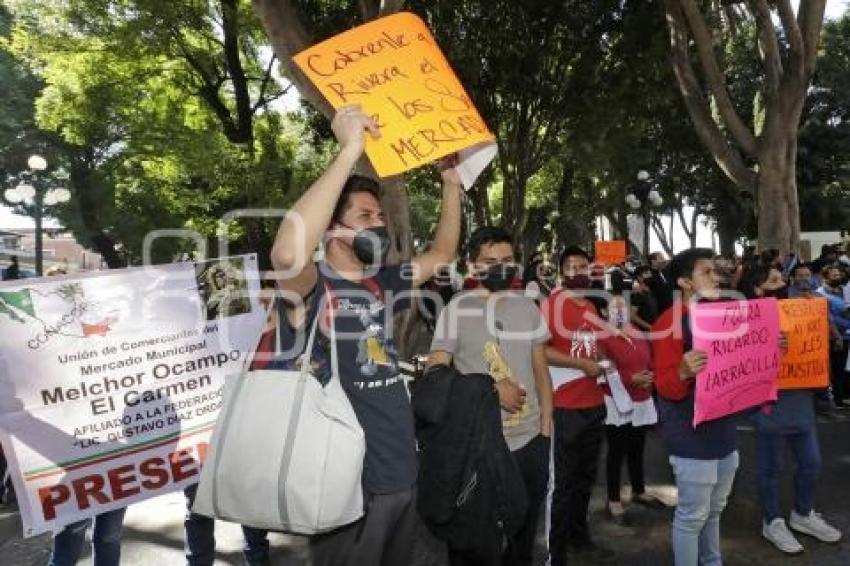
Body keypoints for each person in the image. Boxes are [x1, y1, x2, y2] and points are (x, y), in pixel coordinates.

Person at [270, 104, 462, 565]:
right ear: (333, 229)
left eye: (380, 214)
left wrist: (451, 186)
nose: (379, 223)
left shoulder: (381, 281)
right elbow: (286, 251)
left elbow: (442, 251)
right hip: (345, 487)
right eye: (366, 215)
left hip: (399, 472)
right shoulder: (310, 286)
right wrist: (349, 151)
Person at [428, 226, 552, 566]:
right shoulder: (456, 309)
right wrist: (490, 389)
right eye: (489, 261)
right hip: (477, 449)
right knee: (472, 545)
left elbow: (541, 369)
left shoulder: (528, 308)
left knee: (521, 543)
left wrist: (545, 428)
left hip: (529, 444)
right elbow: (437, 373)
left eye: (508, 260)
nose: (500, 267)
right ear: (471, 265)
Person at [738, 263, 842, 554]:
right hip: (769, 403)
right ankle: (772, 521)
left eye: (781, 278)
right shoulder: (745, 320)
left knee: (812, 463)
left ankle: (803, 513)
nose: (781, 282)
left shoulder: (799, 308)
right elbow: (738, 365)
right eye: (773, 280)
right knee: (771, 468)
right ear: (758, 289)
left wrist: (816, 318)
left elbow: (814, 346)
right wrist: (763, 346)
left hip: (800, 401)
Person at [651, 248, 740, 566]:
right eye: (706, 272)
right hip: (690, 436)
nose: (716, 277)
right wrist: (682, 372)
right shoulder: (668, 322)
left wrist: (771, 346)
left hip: (724, 431)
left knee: (714, 510)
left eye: (716, 271)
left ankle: (712, 562)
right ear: (684, 282)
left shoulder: (724, 315)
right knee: (692, 517)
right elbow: (664, 386)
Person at [541, 246, 612, 564]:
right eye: (571, 267)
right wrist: (581, 366)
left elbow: (592, 348)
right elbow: (540, 351)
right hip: (565, 405)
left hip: (594, 402)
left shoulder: (590, 306)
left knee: (585, 477)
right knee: (563, 483)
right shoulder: (552, 304)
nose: (578, 272)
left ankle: (579, 536)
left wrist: (599, 361)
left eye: (583, 266)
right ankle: (555, 553)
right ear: (561, 271)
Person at [599, 294, 661, 524]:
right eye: (614, 308)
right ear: (604, 313)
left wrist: (650, 376)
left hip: (641, 398)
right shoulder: (602, 338)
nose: (620, 311)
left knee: (637, 446)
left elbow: (649, 360)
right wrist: (630, 379)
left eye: (623, 306)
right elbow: (603, 370)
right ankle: (613, 499)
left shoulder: (636, 332)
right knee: (617, 450)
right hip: (617, 401)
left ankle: (638, 489)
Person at [817, 264, 850, 407]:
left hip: (846, 335)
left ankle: (839, 398)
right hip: (829, 337)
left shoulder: (843, 291)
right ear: (825, 277)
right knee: (828, 369)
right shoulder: (820, 293)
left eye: (839, 275)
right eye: (834, 275)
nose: (838, 277)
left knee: (840, 368)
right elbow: (827, 317)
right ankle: (827, 399)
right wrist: (836, 335)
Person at [629, 265, 659, 331]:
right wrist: (650, 327)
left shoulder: (650, 289)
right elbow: (632, 316)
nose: (650, 275)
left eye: (650, 273)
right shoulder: (637, 293)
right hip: (646, 332)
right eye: (646, 273)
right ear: (639, 277)